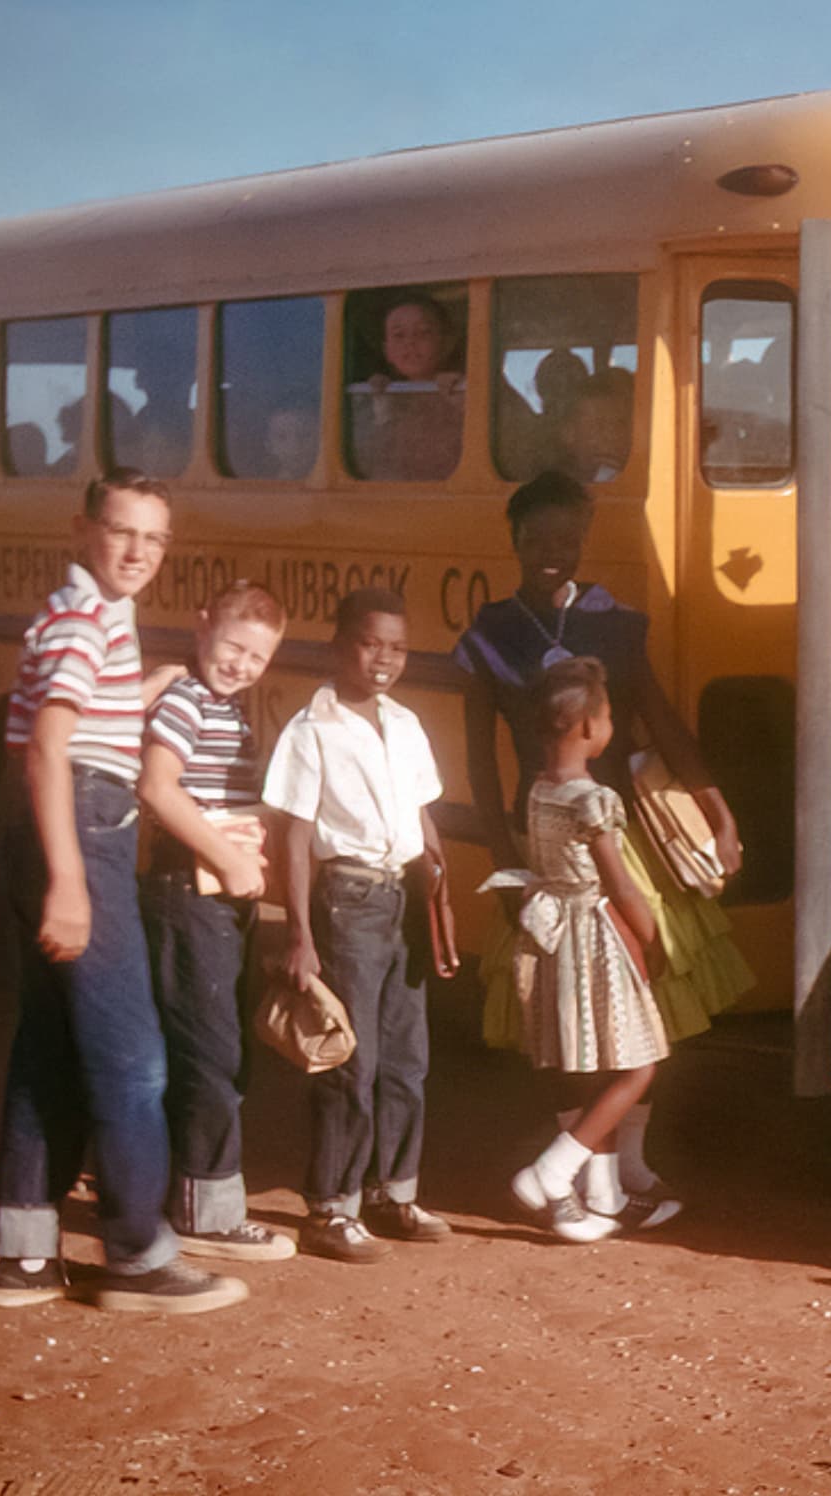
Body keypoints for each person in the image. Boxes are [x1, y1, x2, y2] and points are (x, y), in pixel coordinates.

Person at [455, 471, 751, 1224]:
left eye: (568, 538)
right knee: (562, 1019)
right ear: (513, 540)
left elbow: (666, 727)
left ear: (584, 539)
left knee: (642, 1006)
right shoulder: (492, 633)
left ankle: (624, 1169)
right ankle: (574, 1178)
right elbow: (482, 764)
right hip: (547, 850)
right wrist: (503, 861)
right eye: (537, 539)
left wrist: (718, 815)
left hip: (622, 842)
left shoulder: (614, 624)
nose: (554, 552)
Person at [0, 468, 247, 1314]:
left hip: (51, 819)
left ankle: (24, 1257)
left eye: (154, 538)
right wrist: (69, 880)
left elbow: (68, 718)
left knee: (50, 1043)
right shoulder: (85, 617)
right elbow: (49, 749)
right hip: (78, 829)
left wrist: (146, 689)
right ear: (80, 531)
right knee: (133, 1057)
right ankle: (138, 1254)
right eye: (122, 531)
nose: (138, 550)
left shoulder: (88, 619)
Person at [263, 588, 460, 1262]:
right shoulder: (310, 729)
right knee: (350, 1057)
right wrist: (299, 934)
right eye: (370, 643)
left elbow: (421, 814)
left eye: (398, 647)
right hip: (347, 902)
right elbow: (291, 835)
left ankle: (392, 1192)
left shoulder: (405, 723)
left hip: (405, 898)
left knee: (407, 1058)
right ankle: (330, 1208)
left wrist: (438, 888)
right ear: (337, 646)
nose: (384, 659)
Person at [135, 580, 294, 1263]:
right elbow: (156, 786)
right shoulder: (186, 701)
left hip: (222, 894)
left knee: (215, 1043)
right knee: (211, 1049)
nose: (241, 664)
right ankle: (210, 1213)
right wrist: (227, 858)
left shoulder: (226, 709)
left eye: (258, 657)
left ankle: (179, 1193)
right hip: (189, 888)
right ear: (202, 627)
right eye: (233, 645)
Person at [486, 657, 671, 1241]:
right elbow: (618, 882)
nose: (611, 724)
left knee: (590, 1064)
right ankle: (551, 1172)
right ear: (588, 728)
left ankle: (604, 1194)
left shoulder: (541, 789)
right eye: (609, 715)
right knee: (638, 1064)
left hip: (551, 933)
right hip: (594, 934)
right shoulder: (594, 799)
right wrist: (650, 936)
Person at [350, 293, 464, 480]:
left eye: (424, 332)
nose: (410, 342)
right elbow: (371, 460)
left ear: (447, 342)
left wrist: (462, 401)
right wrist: (381, 406)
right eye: (399, 335)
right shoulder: (379, 394)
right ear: (387, 350)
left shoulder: (463, 387)